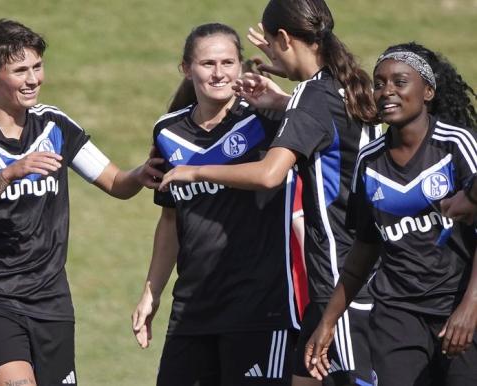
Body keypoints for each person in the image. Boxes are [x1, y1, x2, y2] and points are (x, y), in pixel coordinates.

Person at [158, 1, 381, 385]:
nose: (269, 58)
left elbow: (268, 175)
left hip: (339, 275)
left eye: (272, 47)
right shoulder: (341, 87)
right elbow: (323, 129)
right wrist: (282, 102)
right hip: (336, 279)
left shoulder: (313, 96)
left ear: (283, 38)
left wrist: (193, 169)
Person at [0, 19, 163, 386]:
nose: (33, 79)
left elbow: (116, 183)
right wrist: (8, 174)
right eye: (20, 70)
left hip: (51, 297)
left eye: (37, 67)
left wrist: (141, 174)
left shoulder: (54, 125)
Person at [131, 22, 301, 385]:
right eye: (208, 64)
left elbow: (340, 119)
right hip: (193, 309)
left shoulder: (268, 119)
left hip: (261, 307)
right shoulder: (168, 132)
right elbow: (171, 221)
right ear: (186, 68)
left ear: (240, 65)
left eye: (228, 62)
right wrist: (151, 292)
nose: (219, 73)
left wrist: (288, 93)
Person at [305, 42, 477, 386]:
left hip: (458, 306)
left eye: (400, 82)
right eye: (379, 83)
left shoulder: (456, 144)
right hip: (396, 313)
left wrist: (470, 307)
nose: (387, 92)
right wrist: (327, 322)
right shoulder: (369, 160)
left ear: (427, 91)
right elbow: (364, 251)